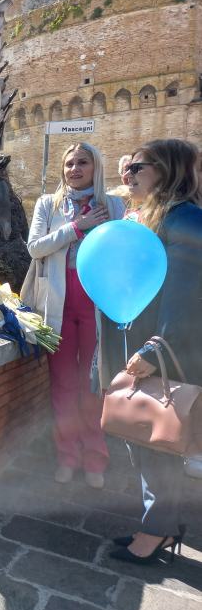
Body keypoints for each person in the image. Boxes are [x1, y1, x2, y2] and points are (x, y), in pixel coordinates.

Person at [97, 139, 202, 564]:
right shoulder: (160, 218)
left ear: (165, 170)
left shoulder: (185, 220)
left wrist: (154, 350)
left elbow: (188, 299)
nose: (127, 176)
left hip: (164, 352)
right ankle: (160, 523)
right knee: (147, 442)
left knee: (156, 442)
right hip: (148, 345)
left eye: (136, 168)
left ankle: (156, 532)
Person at [24, 143, 125, 488]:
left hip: (95, 302)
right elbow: (35, 248)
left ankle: (95, 458)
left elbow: (122, 252)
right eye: (69, 163)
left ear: (96, 166)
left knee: (93, 384)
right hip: (57, 301)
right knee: (64, 384)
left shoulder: (113, 204)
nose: (75, 169)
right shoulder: (48, 204)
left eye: (83, 162)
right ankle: (67, 454)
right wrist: (77, 227)